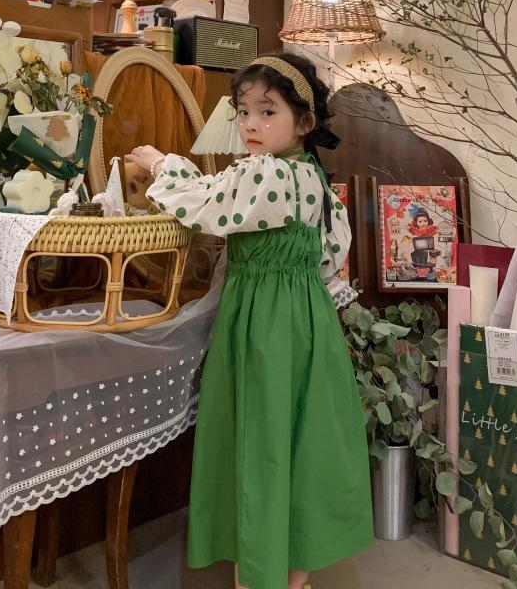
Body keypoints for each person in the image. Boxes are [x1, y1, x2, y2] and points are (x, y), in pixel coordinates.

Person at [126, 53, 373, 589]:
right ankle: (294, 577)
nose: (251, 125)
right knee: (301, 443)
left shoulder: (267, 174)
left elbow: (204, 204)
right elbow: (329, 259)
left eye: (267, 111)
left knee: (258, 443)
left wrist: (162, 164)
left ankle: (255, 576)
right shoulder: (313, 179)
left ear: (304, 122)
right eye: (243, 112)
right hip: (308, 323)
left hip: (264, 324)